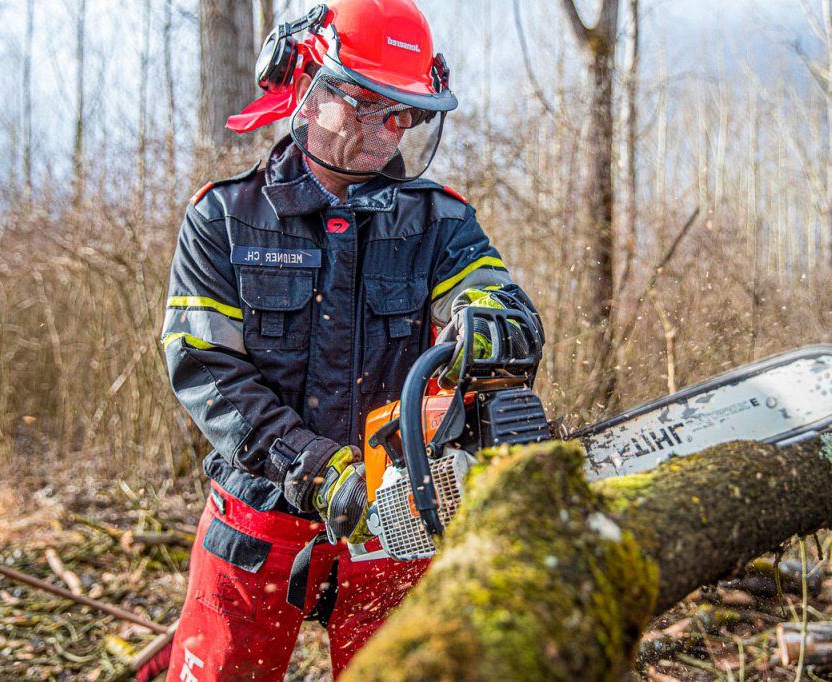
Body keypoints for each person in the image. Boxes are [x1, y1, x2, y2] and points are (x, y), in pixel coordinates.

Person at [155, 1, 543, 679]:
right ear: (307, 88)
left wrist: (491, 322)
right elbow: (205, 368)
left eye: (401, 112)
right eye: (365, 105)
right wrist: (315, 465)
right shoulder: (225, 217)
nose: (384, 130)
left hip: (393, 522)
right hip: (257, 520)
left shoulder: (439, 221)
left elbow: (494, 295)